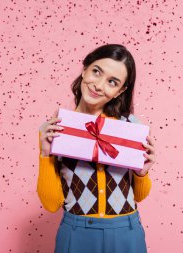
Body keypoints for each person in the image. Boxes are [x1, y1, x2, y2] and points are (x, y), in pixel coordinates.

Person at [37, 44, 157, 253]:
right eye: (96, 72)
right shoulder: (57, 128)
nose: (99, 85)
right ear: (84, 69)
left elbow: (139, 196)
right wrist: (46, 154)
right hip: (76, 234)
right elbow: (50, 203)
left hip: (126, 232)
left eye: (112, 82)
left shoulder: (131, 127)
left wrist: (141, 173)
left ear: (120, 91)